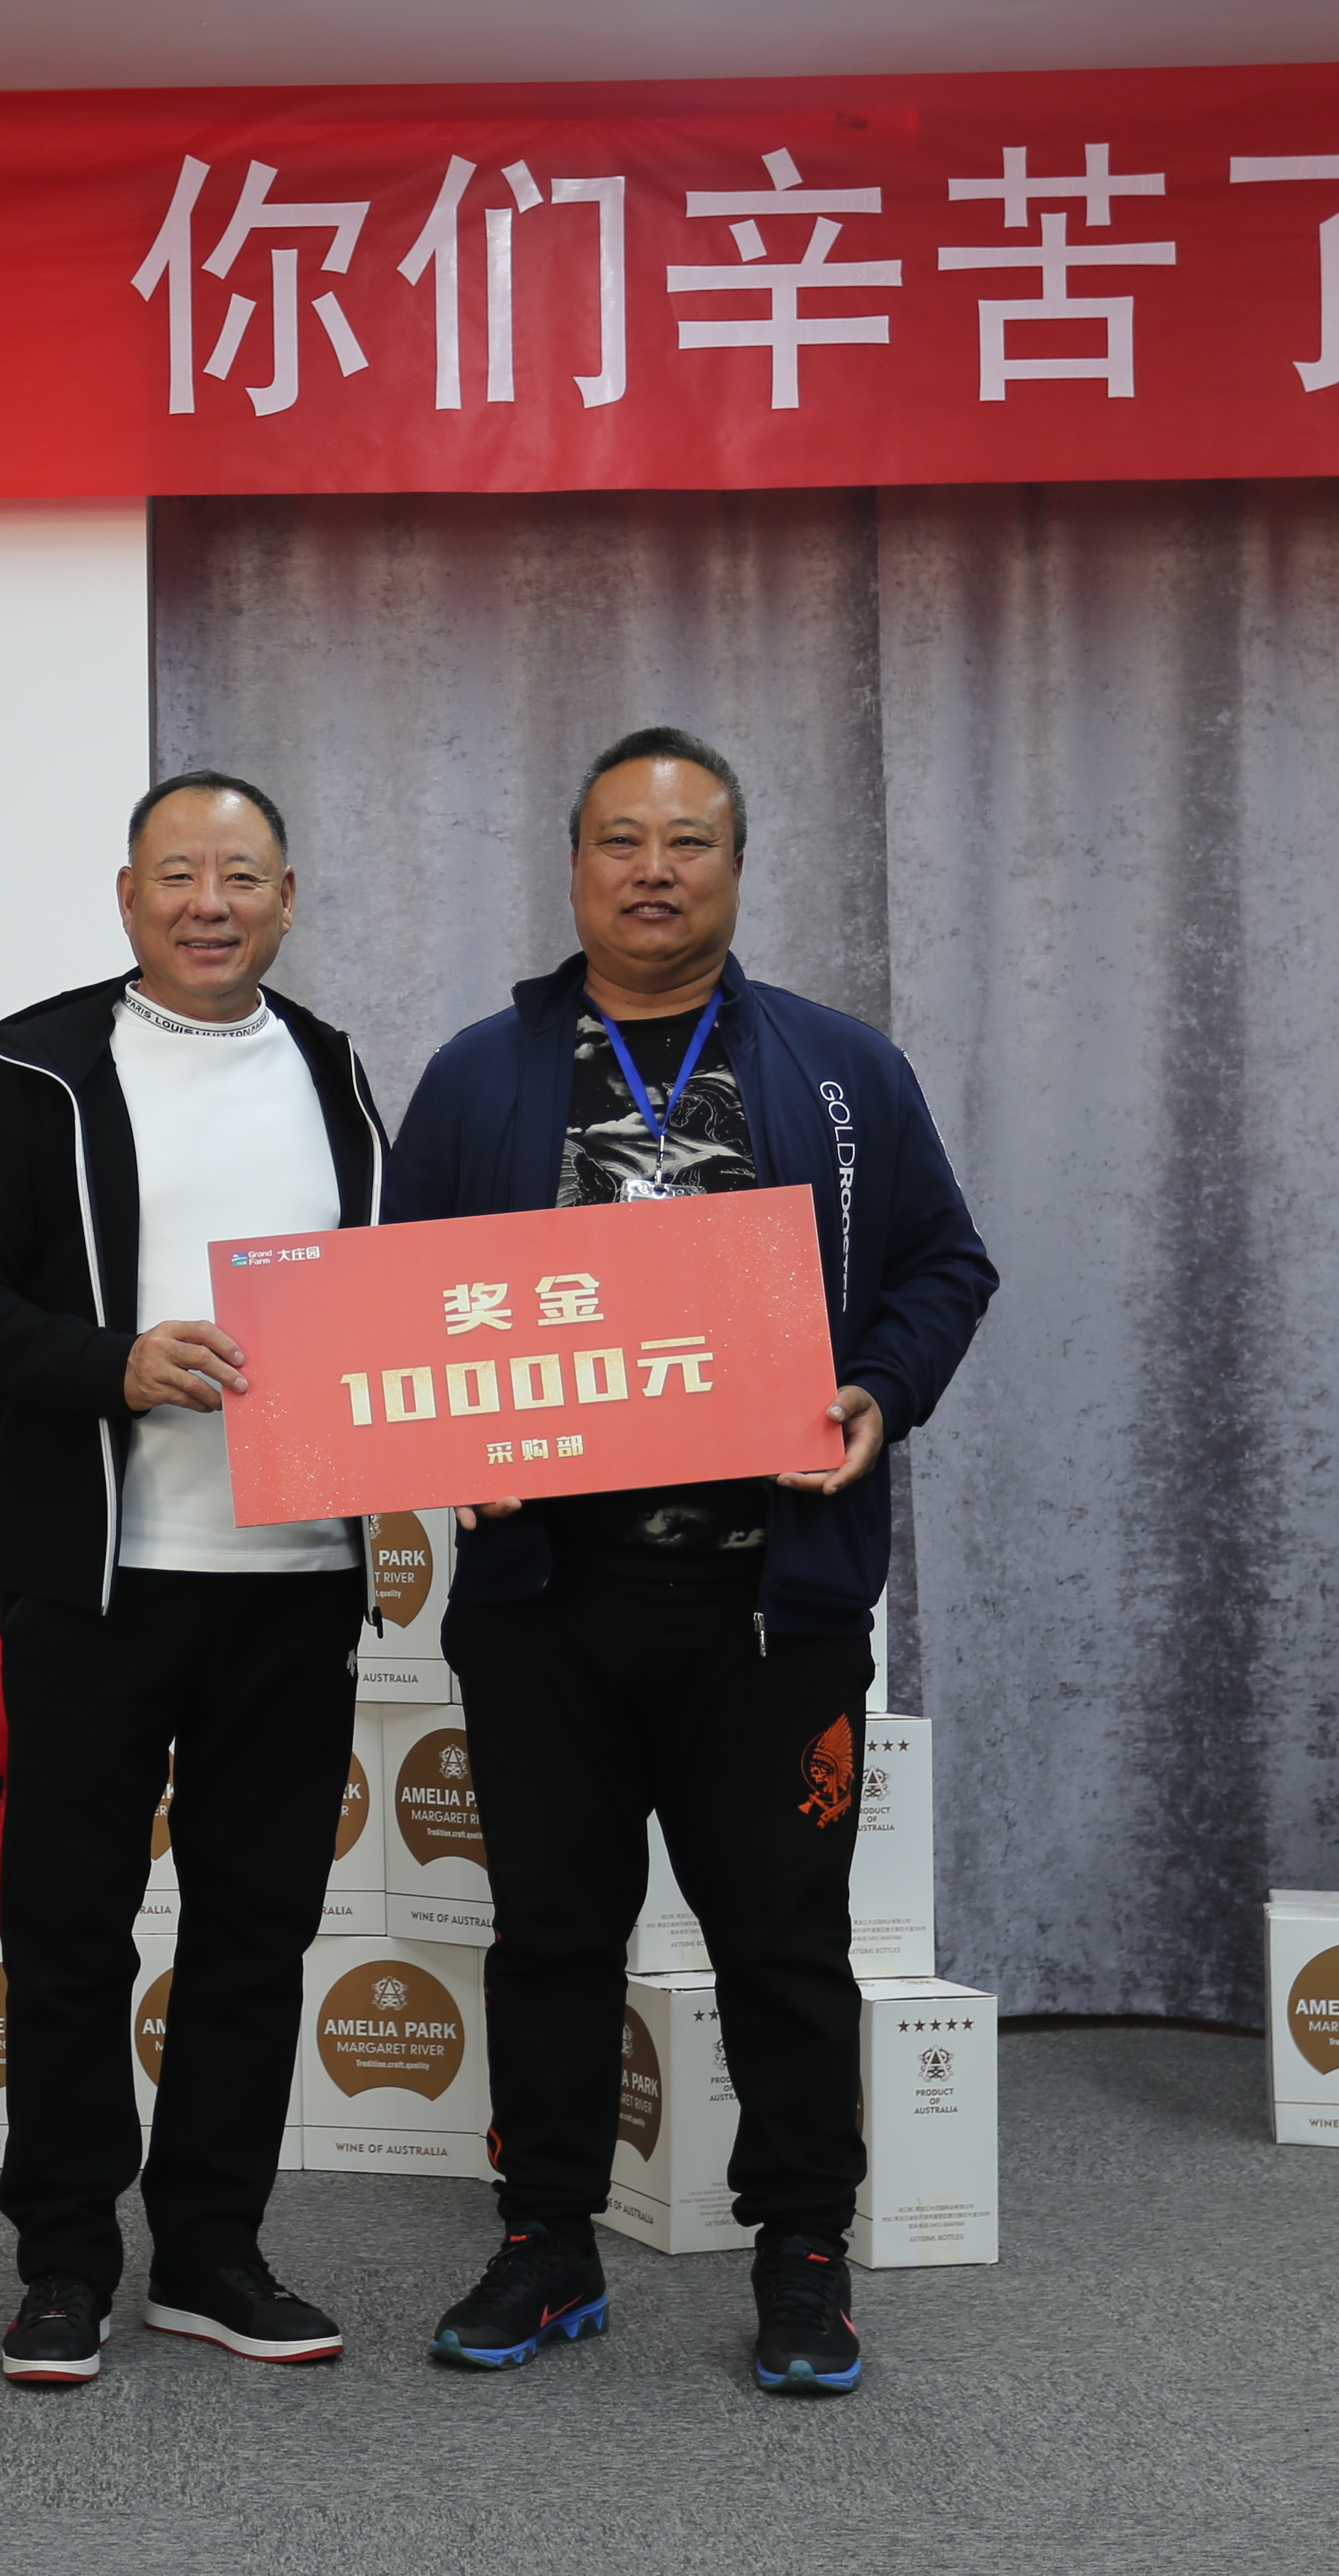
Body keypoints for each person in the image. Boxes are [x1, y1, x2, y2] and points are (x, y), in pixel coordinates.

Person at [384, 724, 996, 2395]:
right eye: (622, 840)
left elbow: (945, 1265)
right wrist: (445, 1445)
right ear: (575, 865)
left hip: (769, 1600)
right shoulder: (478, 1076)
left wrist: (879, 1391)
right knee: (550, 1931)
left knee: (784, 1941)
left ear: (737, 865)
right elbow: (397, 1310)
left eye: (689, 842)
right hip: (545, 1601)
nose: (654, 870)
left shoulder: (843, 1068)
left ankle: (804, 2251)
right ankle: (546, 2240)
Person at [0, 768, 392, 2387]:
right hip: (99, 1579)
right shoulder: (37, 1072)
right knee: (71, 1928)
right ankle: (64, 2261)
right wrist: (109, 1363)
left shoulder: (333, 1070)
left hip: (296, 1576)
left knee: (256, 1927)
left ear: (288, 898)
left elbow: (394, 1295)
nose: (210, 903)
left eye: (242, 875)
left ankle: (210, 2253)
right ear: (128, 898)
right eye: (178, 873)